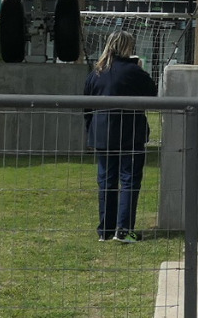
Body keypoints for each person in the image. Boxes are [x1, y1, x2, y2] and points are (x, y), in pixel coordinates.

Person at [83, 31, 157, 242]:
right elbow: (151, 94)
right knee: (129, 180)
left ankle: (105, 231)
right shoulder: (134, 72)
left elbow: (87, 106)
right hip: (130, 133)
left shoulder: (96, 72)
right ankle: (123, 231)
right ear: (129, 48)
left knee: (106, 181)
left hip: (102, 134)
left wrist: (91, 131)